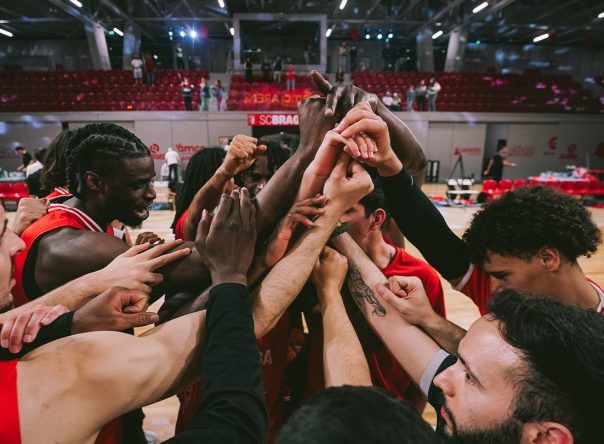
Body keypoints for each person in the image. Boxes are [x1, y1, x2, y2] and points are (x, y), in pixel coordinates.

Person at [334, 104, 603, 356]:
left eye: (502, 276)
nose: (493, 288)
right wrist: (388, 162)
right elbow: (430, 233)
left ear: (548, 258)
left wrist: (431, 321)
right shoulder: (503, 283)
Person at [332, 226, 603, 444]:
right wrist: (336, 227)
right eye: (458, 361)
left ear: (545, 439)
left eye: (470, 377)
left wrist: (329, 293)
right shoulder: (482, 414)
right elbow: (385, 315)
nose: (441, 378)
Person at [304, 185, 446, 411]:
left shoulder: (419, 276)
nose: (331, 217)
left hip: (387, 409)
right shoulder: (316, 266)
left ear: (377, 218)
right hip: (321, 406)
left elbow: (432, 359)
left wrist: (413, 416)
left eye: (345, 210)